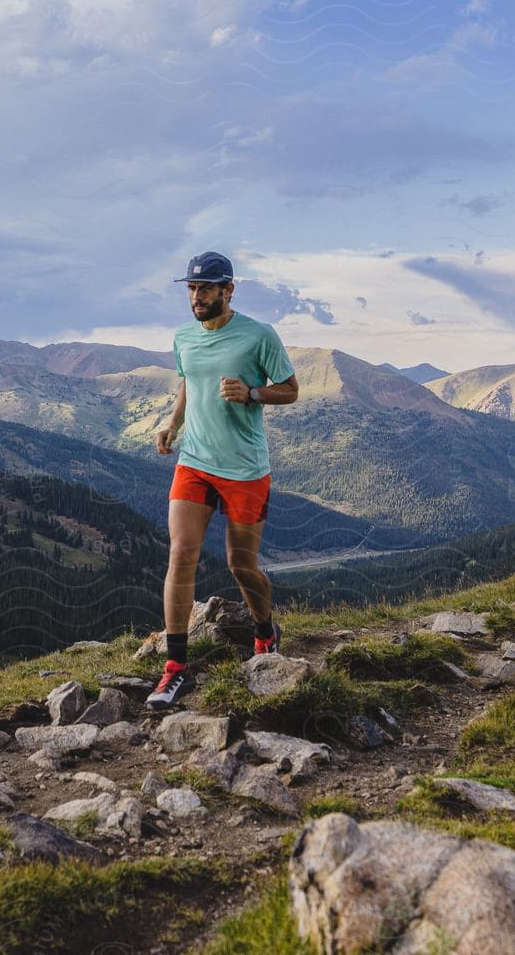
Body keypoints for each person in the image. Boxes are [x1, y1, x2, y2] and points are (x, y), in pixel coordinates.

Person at [147, 251, 299, 709]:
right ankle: (175, 668)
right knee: (181, 554)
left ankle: (264, 630)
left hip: (244, 469)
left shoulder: (258, 336)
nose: (196, 297)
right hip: (194, 462)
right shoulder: (183, 339)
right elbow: (188, 385)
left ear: (228, 291)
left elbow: (291, 390)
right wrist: (172, 424)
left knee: (241, 566)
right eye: (191, 288)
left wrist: (252, 393)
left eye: (206, 289)